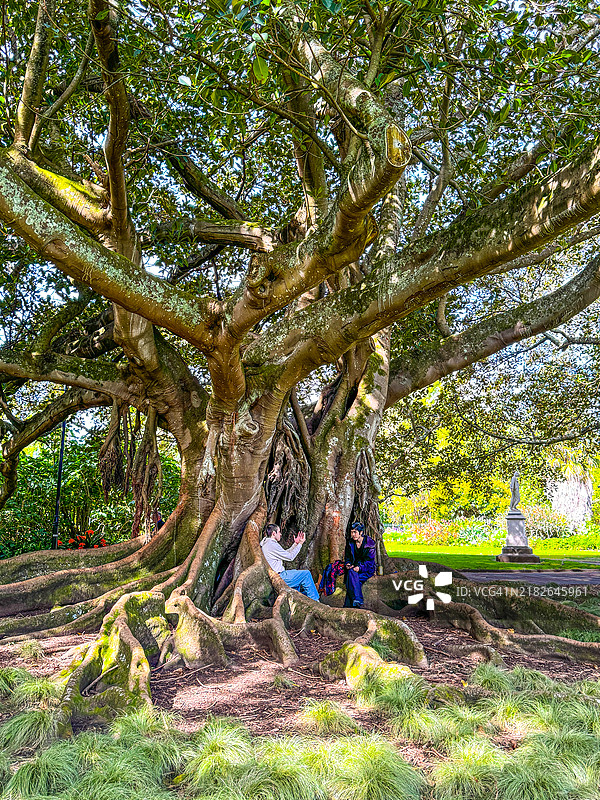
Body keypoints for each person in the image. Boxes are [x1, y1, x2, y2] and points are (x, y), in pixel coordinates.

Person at [260, 523, 320, 601]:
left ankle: (299, 603)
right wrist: (300, 544)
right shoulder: (271, 544)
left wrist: (296, 544)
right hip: (279, 577)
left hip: (275, 576)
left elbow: (285, 553)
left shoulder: (266, 543)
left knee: (296, 583)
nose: (280, 534)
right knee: (306, 574)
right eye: (279, 532)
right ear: (274, 533)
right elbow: (290, 557)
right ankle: (316, 601)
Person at [343, 521, 376, 608]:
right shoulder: (350, 543)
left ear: (361, 533)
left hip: (366, 570)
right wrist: (348, 563)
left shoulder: (370, 543)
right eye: (352, 532)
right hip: (354, 568)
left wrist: (359, 568)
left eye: (355, 532)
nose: (353, 534)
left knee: (351, 578)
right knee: (352, 576)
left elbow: (370, 562)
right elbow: (348, 557)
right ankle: (356, 602)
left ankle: (351, 604)